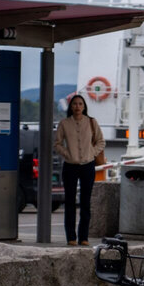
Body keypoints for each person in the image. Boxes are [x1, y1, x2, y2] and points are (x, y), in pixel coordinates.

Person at [54, 94, 104, 246]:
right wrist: (67, 154)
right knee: (69, 202)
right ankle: (71, 237)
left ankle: (84, 237)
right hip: (70, 165)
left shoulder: (91, 122)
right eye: (74, 104)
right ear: (70, 107)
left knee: (85, 202)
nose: (77, 106)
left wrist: (92, 153)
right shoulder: (64, 123)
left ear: (84, 106)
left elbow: (101, 141)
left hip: (88, 165)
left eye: (80, 104)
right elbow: (57, 144)